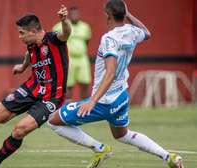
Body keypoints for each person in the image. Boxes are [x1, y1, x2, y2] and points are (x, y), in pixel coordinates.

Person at [48, 1, 183, 168]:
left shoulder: (109, 38)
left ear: (108, 16)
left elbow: (110, 72)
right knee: (122, 135)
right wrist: (129, 15)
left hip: (104, 101)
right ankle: (168, 157)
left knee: (53, 120)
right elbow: (147, 33)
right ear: (123, 14)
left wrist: (92, 101)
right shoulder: (132, 31)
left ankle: (100, 149)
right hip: (121, 97)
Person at [0, 5, 71, 168]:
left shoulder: (53, 39)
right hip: (32, 87)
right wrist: (23, 67)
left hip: (52, 96)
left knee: (19, 130)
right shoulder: (31, 44)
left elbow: (66, 33)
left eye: (22, 33)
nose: (19, 36)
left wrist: (64, 21)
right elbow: (28, 54)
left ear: (34, 31)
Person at [53, 6, 92, 100]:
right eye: (72, 14)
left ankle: (85, 106)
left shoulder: (85, 27)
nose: (75, 15)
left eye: (76, 13)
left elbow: (87, 41)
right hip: (68, 58)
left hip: (82, 58)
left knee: (85, 83)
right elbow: (55, 42)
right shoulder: (59, 26)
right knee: (67, 84)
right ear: (68, 15)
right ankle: (66, 106)